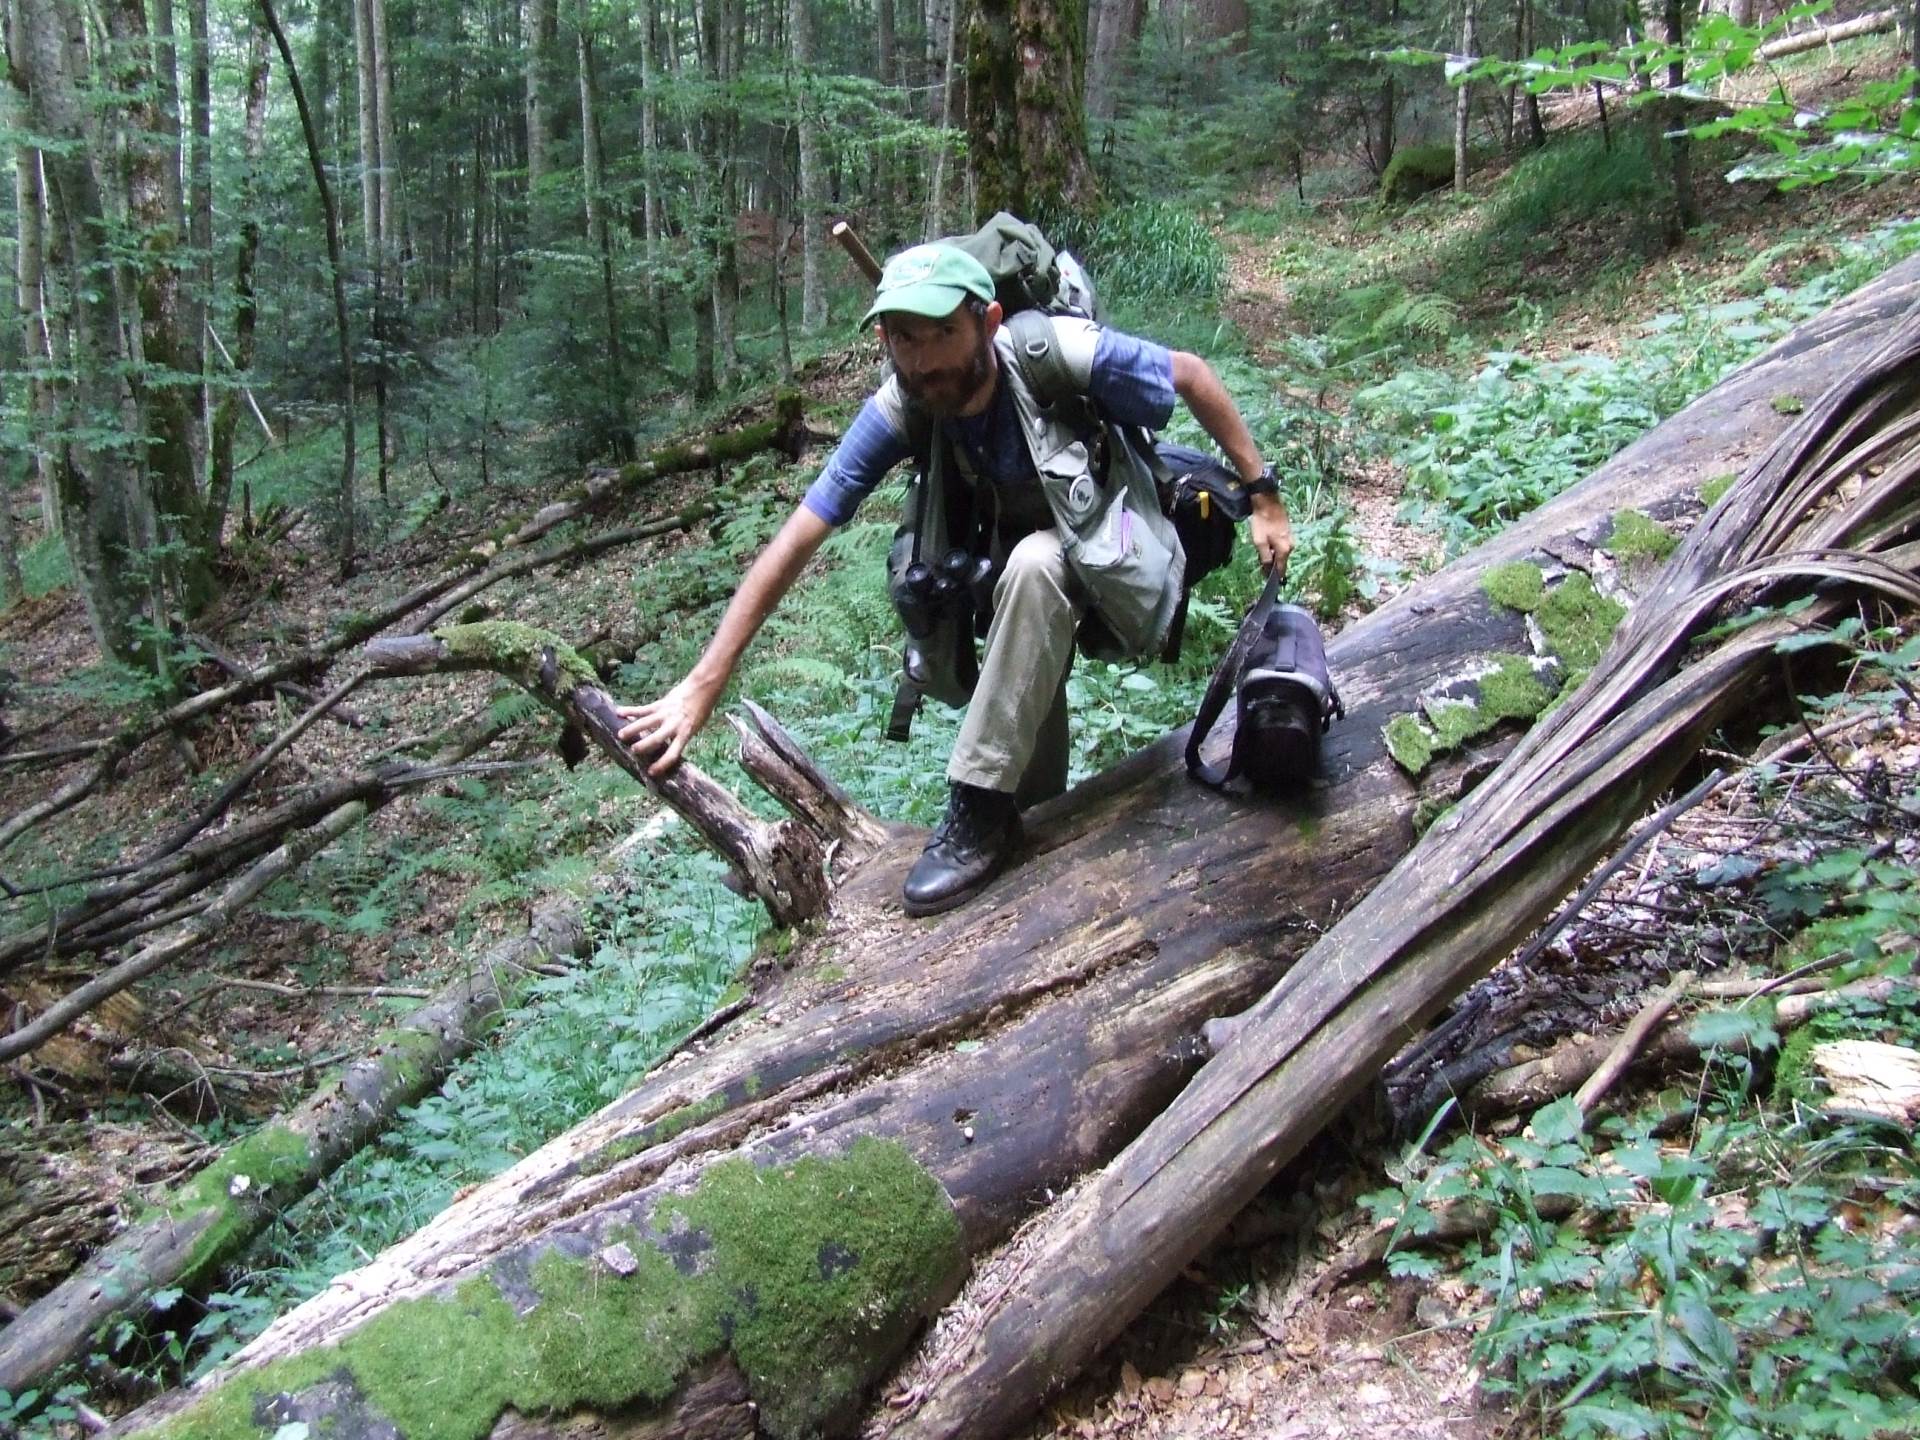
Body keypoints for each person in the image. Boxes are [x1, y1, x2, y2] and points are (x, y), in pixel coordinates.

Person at [618, 242, 1292, 916]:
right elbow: (800, 535)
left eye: (944, 333)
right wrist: (702, 683)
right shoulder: (905, 402)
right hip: (1022, 591)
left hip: (1118, 543)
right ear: (884, 338)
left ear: (990, 321)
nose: (924, 358)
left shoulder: (1055, 352)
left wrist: (1263, 496)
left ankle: (977, 806)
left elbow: (1192, 375)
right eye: (906, 338)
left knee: (1033, 565)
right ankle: (1031, 840)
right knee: (1023, 594)